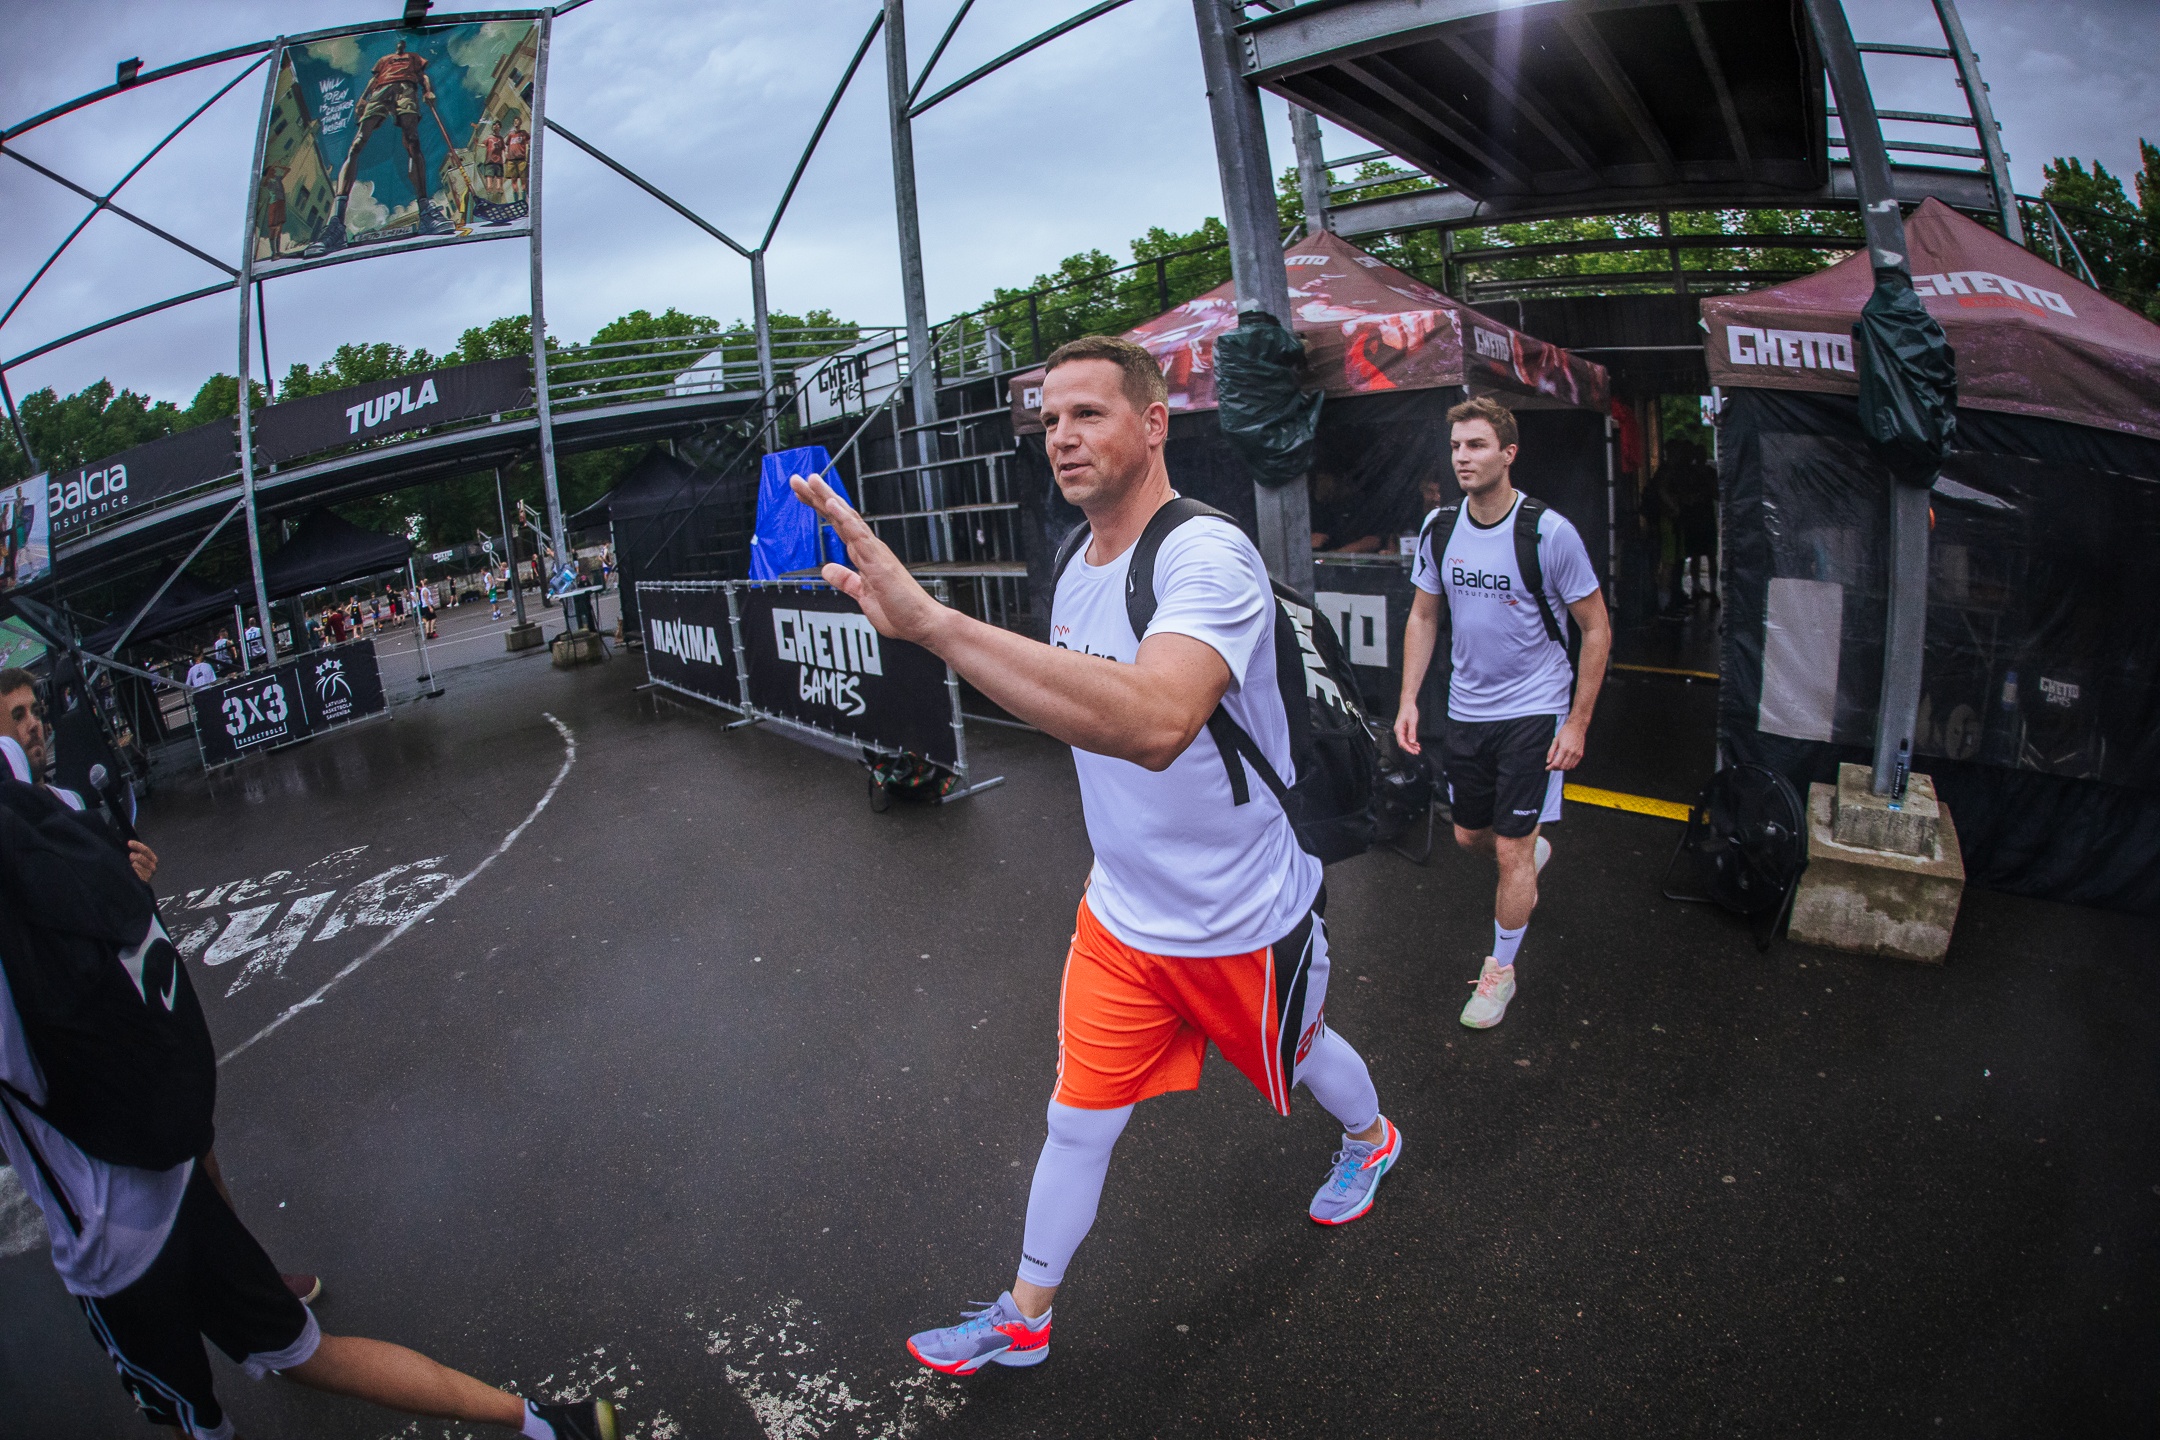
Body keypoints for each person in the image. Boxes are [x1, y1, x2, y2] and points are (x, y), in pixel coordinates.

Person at [791, 336, 1401, 1376]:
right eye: (1050, 421)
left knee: (1299, 1056)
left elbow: (1157, 721)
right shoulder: (1078, 567)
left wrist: (936, 626)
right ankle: (1025, 1315)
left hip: (1242, 918)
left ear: (1154, 424)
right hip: (1121, 917)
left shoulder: (1206, 555)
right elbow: (1076, 721)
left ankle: (1371, 1139)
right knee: (1076, 1120)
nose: (1062, 438)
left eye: (1088, 414)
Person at [0, 777, 619, 1440]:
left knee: (191, 1417)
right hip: (177, 1182)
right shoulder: (72, 856)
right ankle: (543, 1422)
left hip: (108, 1244)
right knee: (313, 1354)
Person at [1393, 396, 1611, 1029]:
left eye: (1477, 445)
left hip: (1535, 710)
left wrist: (1577, 722)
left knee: (1512, 850)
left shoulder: (1548, 532)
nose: (1462, 458)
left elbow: (1595, 628)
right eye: (1456, 447)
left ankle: (1500, 973)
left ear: (1508, 453)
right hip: (1468, 710)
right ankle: (1524, 853)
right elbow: (1424, 615)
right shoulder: (1439, 529)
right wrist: (1407, 699)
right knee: (1470, 836)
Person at [309, 39, 441, 256]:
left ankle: (426, 212)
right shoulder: (384, 60)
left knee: (412, 140)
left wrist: (428, 90)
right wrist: (363, 99)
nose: (400, 44)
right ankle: (336, 225)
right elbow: (373, 80)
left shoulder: (413, 58)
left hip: (406, 88)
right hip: (382, 89)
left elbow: (423, 75)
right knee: (357, 144)